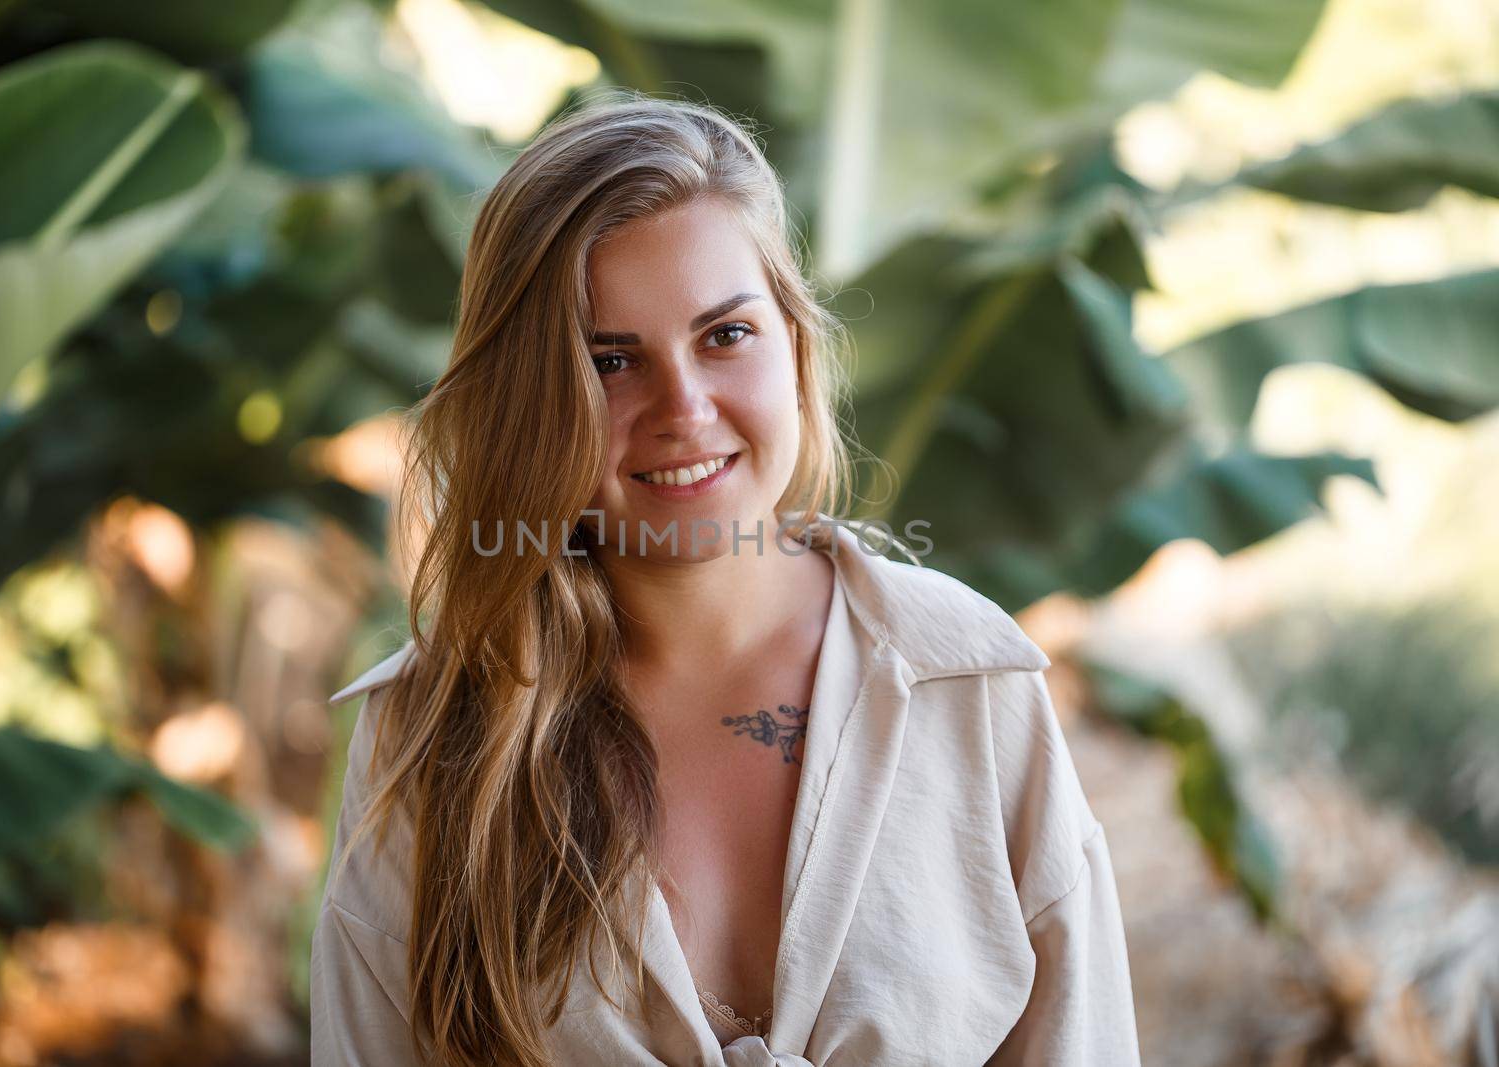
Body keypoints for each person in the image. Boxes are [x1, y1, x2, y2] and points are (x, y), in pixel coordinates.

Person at [309, 93, 1141, 1067]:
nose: (683, 408)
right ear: (528, 401)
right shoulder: (431, 732)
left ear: (792, 339)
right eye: (608, 359)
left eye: (724, 334)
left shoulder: (971, 682)